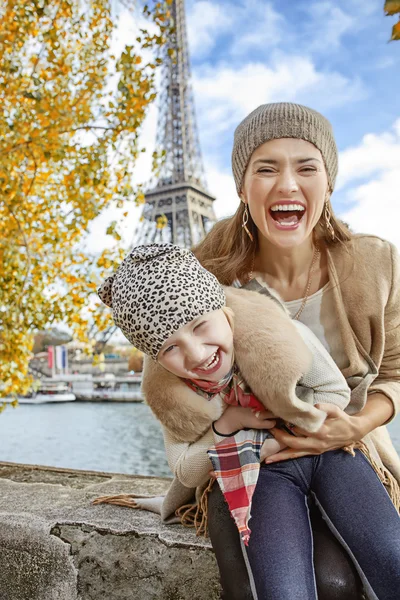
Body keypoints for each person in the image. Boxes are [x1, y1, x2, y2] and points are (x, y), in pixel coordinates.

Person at [140, 103, 400, 599]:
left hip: (344, 447)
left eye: (306, 167)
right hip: (248, 461)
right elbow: (172, 398)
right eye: (265, 168)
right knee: (320, 583)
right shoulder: (198, 274)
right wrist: (224, 426)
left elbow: (397, 370)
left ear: (329, 181)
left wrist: (356, 424)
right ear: (241, 188)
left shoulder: (377, 262)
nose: (286, 185)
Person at [94, 243, 351, 547]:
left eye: (200, 326)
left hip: (313, 457)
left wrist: (286, 435)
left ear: (227, 316)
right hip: (256, 484)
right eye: (169, 348)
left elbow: (335, 389)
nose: (197, 355)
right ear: (158, 361)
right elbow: (185, 472)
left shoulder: (283, 339)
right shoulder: (172, 394)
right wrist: (226, 425)